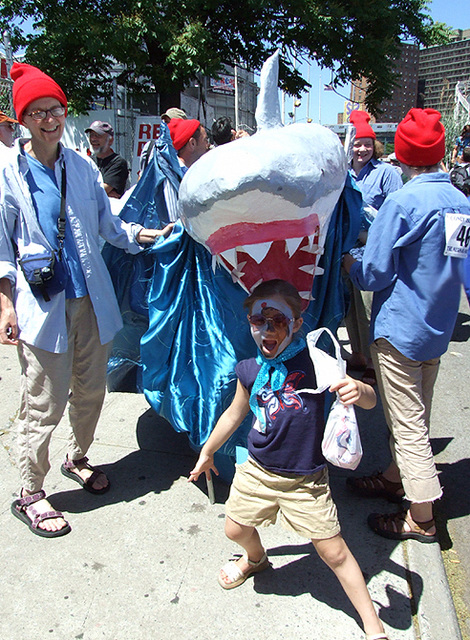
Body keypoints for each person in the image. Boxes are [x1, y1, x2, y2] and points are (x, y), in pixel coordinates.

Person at [0, 62, 173, 538]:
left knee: (91, 390)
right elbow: (0, 246)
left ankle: (77, 458)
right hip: (42, 306)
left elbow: (108, 224)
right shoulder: (9, 173)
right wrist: (6, 305)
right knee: (43, 401)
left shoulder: (81, 166)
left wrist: (145, 234)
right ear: (23, 120)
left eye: (54, 108)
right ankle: (30, 491)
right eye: (37, 112)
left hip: (91, 302)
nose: (49, 118)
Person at [189, 279, 388, 640]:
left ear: (296, 323)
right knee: (234, 528)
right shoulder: (248, 368)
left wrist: (360, 390)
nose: (266, 330)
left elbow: (372, 400)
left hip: (305, 481)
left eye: (277, 321)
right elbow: (235, 414)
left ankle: (373, 625)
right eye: (257, 320)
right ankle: (255, 559)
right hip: (257, 470)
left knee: (335, 553)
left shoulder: (316, 361)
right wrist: (207, 451)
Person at [343, 108, 470, 543]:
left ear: (401, 153)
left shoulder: (402, 201)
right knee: (419, 410)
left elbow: (375, 272)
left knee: (407, 425)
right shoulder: (460, 201)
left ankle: (421, 517)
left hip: (400, 328)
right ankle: (397, 477)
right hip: (437, 325)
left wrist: (349, 265)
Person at [345, 110, 403, 386]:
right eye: (357, 143)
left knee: (368, 309)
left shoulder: (386, 173)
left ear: (375, 146)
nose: (362, 149)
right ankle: (358, 355)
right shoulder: (342, 173)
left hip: (372, 251)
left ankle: (374, 363)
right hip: (346, 250)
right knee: (350, 308)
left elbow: (396, 214)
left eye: (367, 143)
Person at [85, 120, 129, 198]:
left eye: (98, 135)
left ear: (110, 140)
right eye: (91, 135)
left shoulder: (118, 162)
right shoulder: (87, 161)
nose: (93, 139)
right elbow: (77, 187)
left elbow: (102, 190)